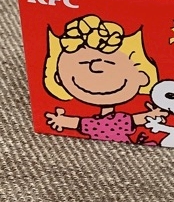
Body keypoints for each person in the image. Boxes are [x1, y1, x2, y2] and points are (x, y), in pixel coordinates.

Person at [44, 14, 164, 142]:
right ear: (58, 77)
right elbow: (76, 123)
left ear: (142, 77)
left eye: (111, 63)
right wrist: (60, 120)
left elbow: (77, 123)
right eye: (83, 63)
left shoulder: (121, 120)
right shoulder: (99, 122)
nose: (96, 68)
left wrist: (152, 115)